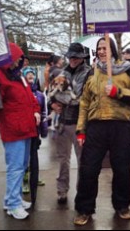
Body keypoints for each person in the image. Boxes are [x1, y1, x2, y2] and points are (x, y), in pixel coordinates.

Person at [73, 37, 130, 226]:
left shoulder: (127, 69)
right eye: (99, 49)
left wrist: (118, 92)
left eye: (105, 48)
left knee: (122, 168)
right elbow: (84, 103)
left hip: (120, 126)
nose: (102, 51)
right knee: (88, 169)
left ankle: (122, 205)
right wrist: (81, 130)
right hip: (96, 127)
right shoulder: (91, 73)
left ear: (113, 49)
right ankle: (84, 209)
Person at [0, 43, 41, 220]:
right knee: (15, 168)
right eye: (17, 58)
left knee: (22, 166)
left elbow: (30, 97)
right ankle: (13, 204)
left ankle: (11, 198)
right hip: (13, 129)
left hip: (26, 128)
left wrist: (36, 109)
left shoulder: (18, 76)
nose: (20, 61)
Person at [49, 43, 91, 204]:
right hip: (61, 123)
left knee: (83, 162)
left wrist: (58, 96)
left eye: (76, 56)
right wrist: (51, 103)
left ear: (82, 57)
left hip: (79, 124)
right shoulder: (63, 72)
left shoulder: (88, 73)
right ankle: (61, 191)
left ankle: (82, 193)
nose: (73, 59)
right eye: (71, 56)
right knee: (62, 160)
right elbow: (50, 94)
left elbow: (78, 99)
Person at [22, 66, 48, 199]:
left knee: (34, 155)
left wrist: (44, 129)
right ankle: (25, 180)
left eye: (33, 75)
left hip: (35, 131)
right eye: (28, 75)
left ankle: (35, 176)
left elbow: (44, 112)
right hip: (24, 131)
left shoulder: (40, 95)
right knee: (24, 157)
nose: (31, 77)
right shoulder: (22, 92)